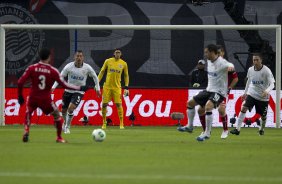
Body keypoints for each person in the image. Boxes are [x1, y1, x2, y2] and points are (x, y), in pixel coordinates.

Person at [17, 48, 88, 143]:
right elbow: (64, 84)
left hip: (33, 97)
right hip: (45, 99)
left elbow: (20, 82)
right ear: (49, 57)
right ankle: (59, 137)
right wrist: (78, 88)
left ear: (39, 56)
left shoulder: (32, 68)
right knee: (57, 115)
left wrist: (20, 96)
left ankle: (26, 131)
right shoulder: (52, 70)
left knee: (28, 112)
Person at [177, 44, 234, 141]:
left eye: (207, 52)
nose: (205, 54)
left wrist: (230, 67)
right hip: (208, 90)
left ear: (212, 52)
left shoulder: (222, 62)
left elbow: (229, 64)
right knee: (190, 103)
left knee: (208, 107)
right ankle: (190, 126)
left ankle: (207, 133)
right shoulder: (208, 60)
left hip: (219, 92)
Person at [192, 45, 239, 139]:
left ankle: (225, 130)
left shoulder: (226, 65)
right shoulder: (212, 63)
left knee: (221, 110)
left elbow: (235, 78)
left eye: (220, 52)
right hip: (211, 91)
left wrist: (229, 88)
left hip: (222, 92)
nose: (218, 54)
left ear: (223, 53)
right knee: (201, 110)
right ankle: (205, 131)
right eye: (217, 52)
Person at [52, 50, 101, 134]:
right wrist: (53, 87)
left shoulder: (87, 67)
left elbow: (95, 77)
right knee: (63, 111)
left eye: (80, 56)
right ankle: (65, 122)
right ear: (74, 57)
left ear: (83, 58)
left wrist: (98, 88)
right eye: (77, 56)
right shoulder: (68, 66)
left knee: (71, 109)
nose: (79, 58)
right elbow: (60, 77)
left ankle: (67, 127)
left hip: (79, 91)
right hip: (68, 90)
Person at [230, 53, 275, 136]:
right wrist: (245, 93)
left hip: (263, 97)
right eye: (254, 60)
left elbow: (272, 84)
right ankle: (237, 129)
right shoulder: (250, 69)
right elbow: (248, 82)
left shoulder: (266, 70)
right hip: (252, 94)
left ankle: (261, 129)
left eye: (257, 60)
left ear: (261, 60)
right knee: (244, 108)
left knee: (263, 117)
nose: (255, 61)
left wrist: (267, 91)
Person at [98, 49, 129, 129]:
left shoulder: (123, 64)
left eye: (119, 52)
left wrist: (126, 87)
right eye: (116, 52)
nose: (117, 54)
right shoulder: (108, 61)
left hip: (117, 87)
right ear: (114, 54)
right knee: (104, 104)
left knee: (119, 104)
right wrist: (97, 82)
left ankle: (121, 123)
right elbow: (102, 71)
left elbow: (126, 75)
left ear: (121, 54)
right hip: (107, 87)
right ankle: (104, 123)